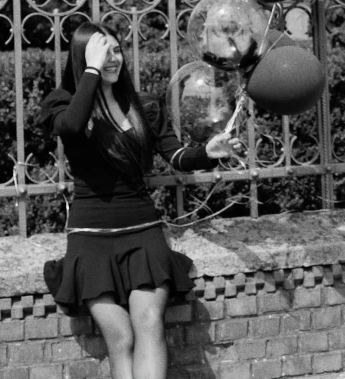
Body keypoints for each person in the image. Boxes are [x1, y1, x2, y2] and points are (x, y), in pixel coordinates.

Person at [40, 21, 242, 379]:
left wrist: (207, 152)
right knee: (120, 336)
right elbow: (71, 128)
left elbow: (174, 155)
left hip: (142, 231)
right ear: (84, 59)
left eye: (117, 51)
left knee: (149, 322)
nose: (113, 59)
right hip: (91, 236)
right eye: (103, 53)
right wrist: (91, 70)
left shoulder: (142, 105)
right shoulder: (63, 103)